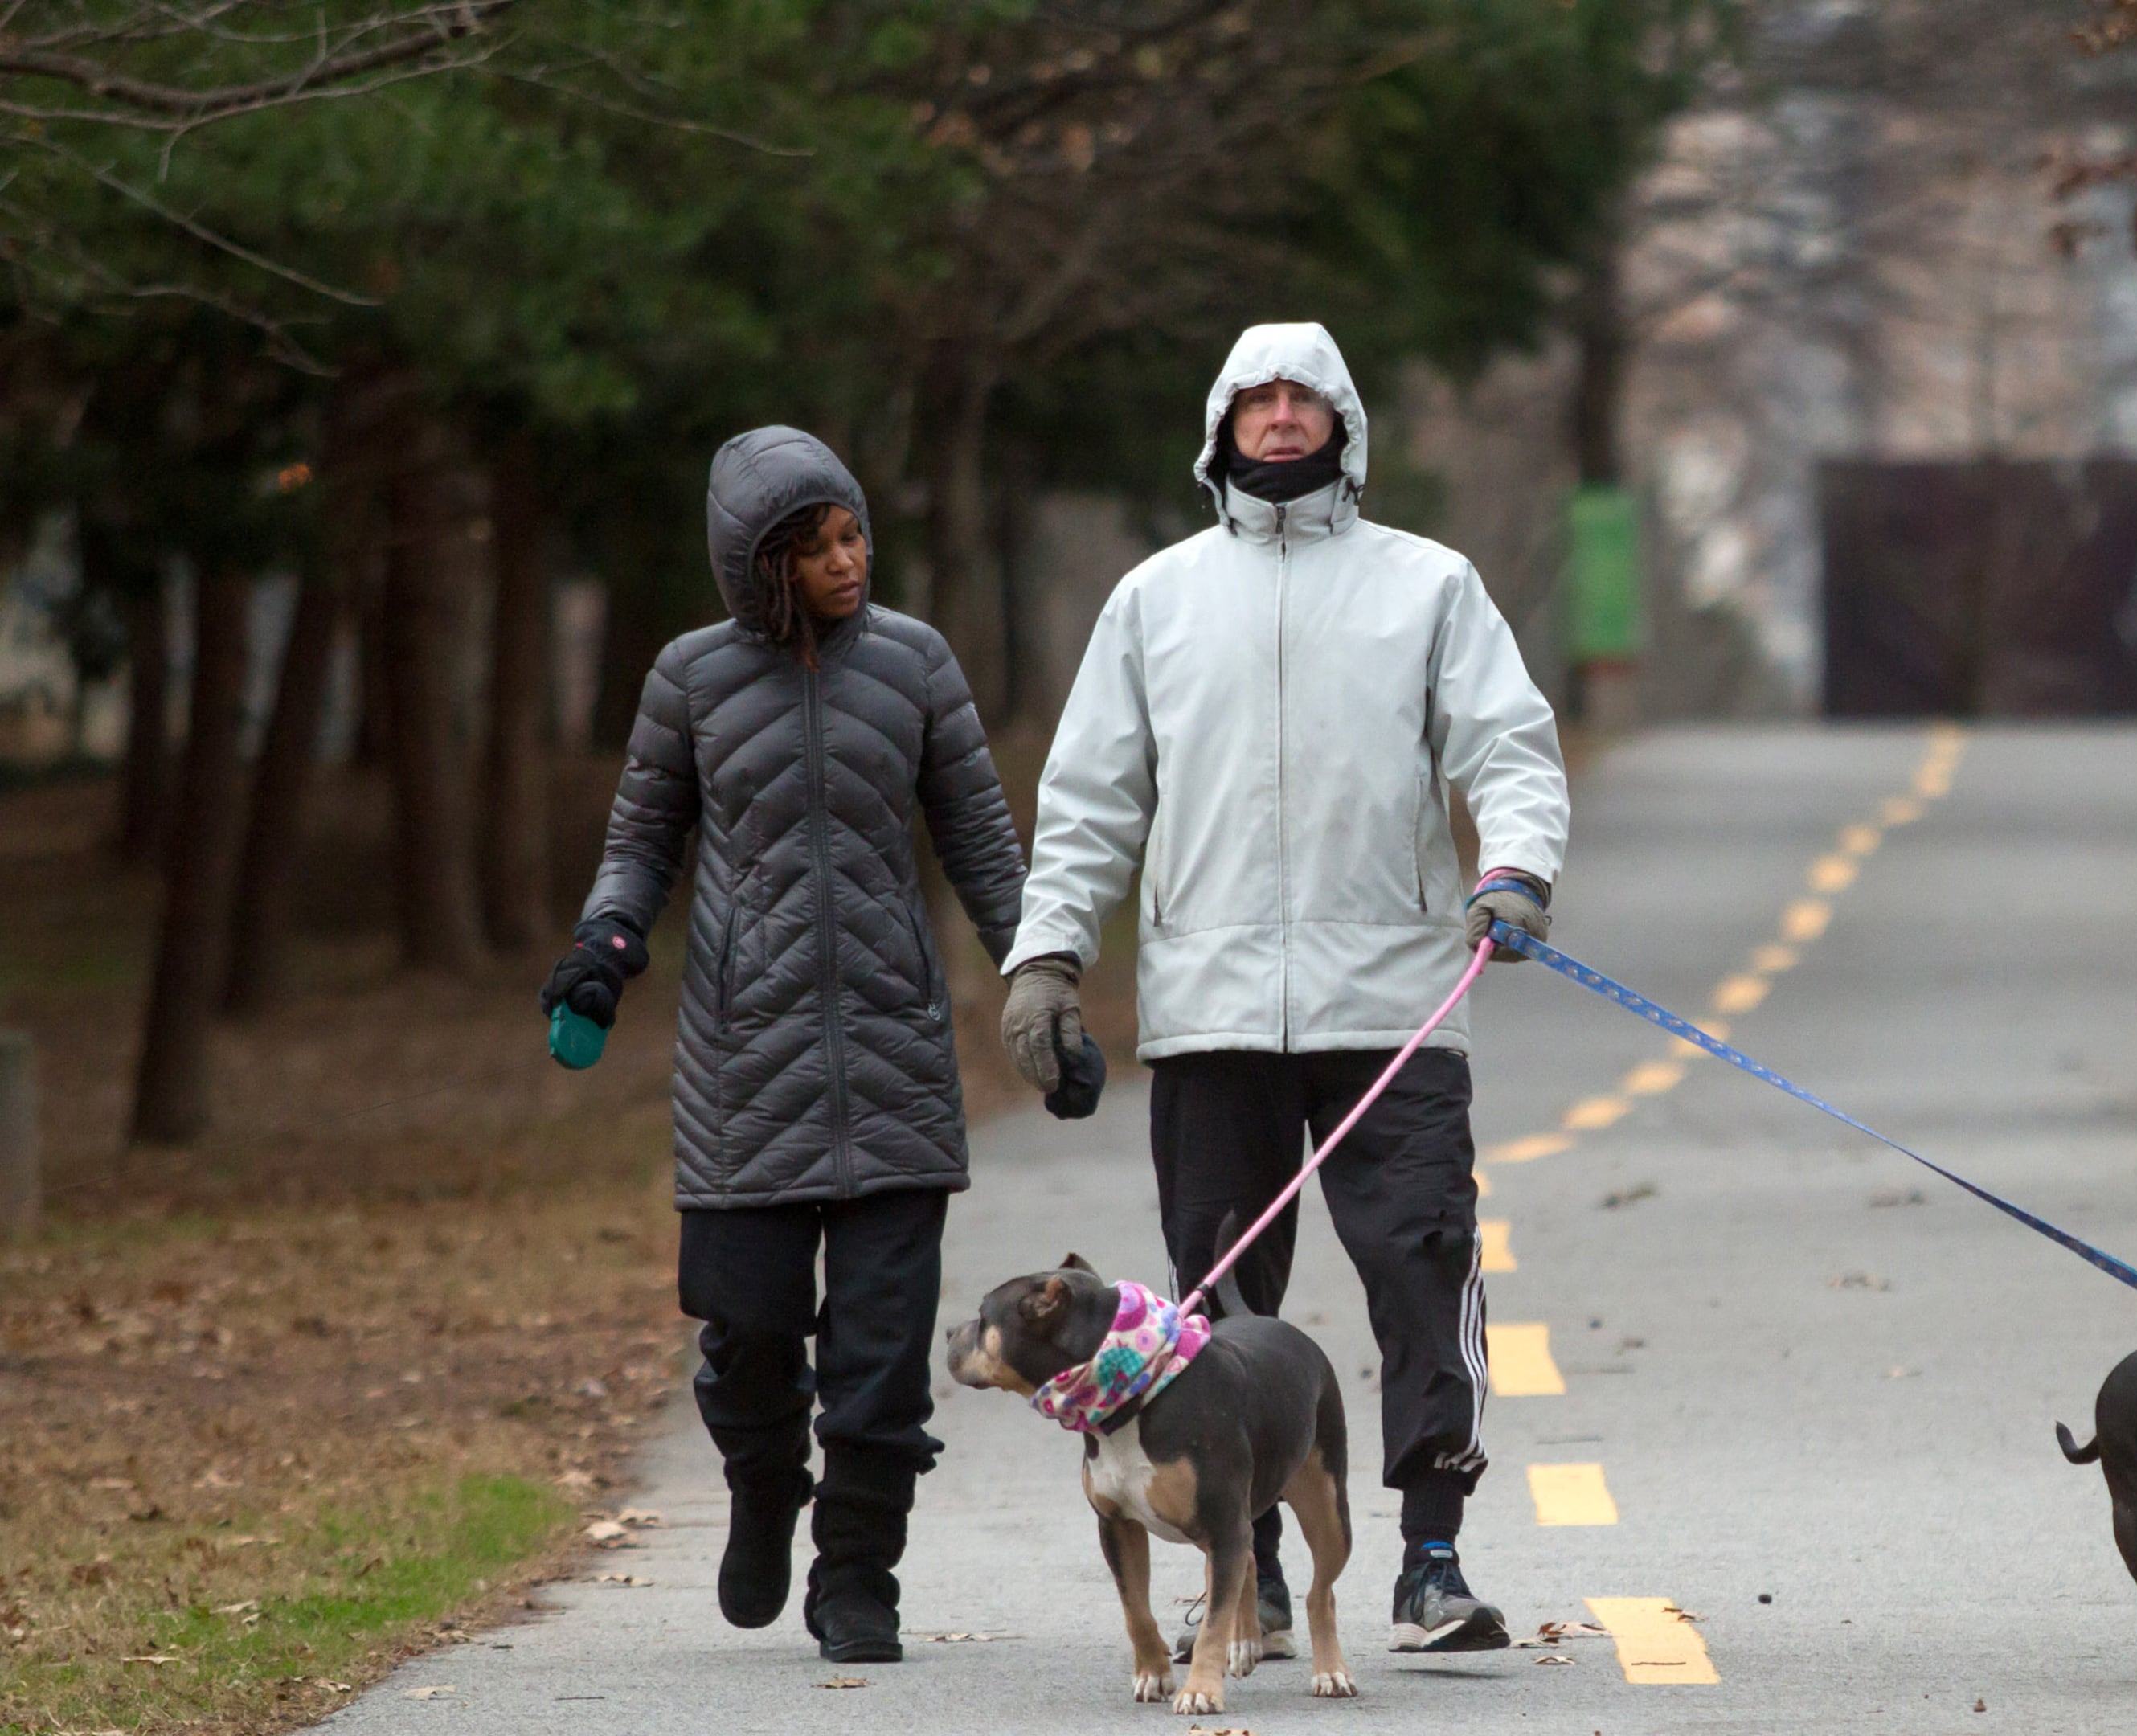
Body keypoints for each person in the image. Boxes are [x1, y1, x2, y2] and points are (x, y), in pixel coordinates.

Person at [1000, 322, 1567, 1656]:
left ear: (1343, 422)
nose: (1276, 417)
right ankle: (1241, 1576)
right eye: (1252, 399)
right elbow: (1090, 800)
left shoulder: (1429, 587)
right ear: (1219, 425)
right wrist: (1047, 957)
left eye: (1301, 397)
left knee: (1421, 1275)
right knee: (1214, 1314)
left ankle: (1431, 1560)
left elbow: (1509, 745)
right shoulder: (1154, 599)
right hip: (1210, 1016)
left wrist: (1518, 868)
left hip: (1398, 1010)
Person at [539, 427, 1029, 1666]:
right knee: (747, 1332)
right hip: (743, 1066)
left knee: (878, 1364)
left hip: (893, 1061)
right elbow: (642, 842)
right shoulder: (689, 680)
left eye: (853, 535)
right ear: (760, 566)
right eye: (816, 549)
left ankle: (858, 1577)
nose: (846, 561)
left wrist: (1043, 990)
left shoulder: (915, 662)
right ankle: (765, 1486)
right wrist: (605, 948)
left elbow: (982, 844)